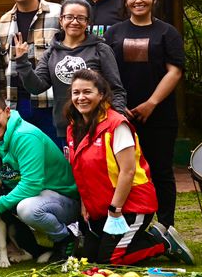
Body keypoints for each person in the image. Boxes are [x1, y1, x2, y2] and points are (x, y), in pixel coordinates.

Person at [63, 70, 169, 266]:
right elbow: (81, 170)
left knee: (109, 260)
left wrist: (115, 210)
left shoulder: (117, 125)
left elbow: (128, 172)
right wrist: (85, 203)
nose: (81, 98)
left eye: (87, 92)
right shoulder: (73, 127)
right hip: (102, 208)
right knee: (89, 257)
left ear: (101, 94)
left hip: (130, 206)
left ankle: (162, 241)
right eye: (76, 93)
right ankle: (130, 241)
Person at [106, 0, 184, 234]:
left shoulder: (167, 32)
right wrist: (118, 107)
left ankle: (165, 228)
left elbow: (174, 72)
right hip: (121, 116)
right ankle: (130, 227)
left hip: (159, 115)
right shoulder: (113, 33)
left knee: (161, 171)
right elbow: (106, 72)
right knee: (126, 171)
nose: (138, 0)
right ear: (125, 0)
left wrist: (151, 103)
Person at [0, 93, 80, 263]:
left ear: (7, 112)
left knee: (27, 209)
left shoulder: (25, 136)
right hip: (27, 195)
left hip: (63, 199)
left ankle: (64, 238)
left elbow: (31, 185)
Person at [11, 0, 127, 140]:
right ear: (61, 20)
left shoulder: (100, 49)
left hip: (98, 127)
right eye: (69, 17)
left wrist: (118, 120)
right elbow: (36, 87)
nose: (74, 22)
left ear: (87, 22)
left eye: (80, 18)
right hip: (64, 128)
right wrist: (22, 62)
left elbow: (116, 89)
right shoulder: (52, 52)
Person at [0, 0, 61, 140]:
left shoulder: (58, 13)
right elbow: (2, 64)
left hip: (51, 102)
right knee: (25, 155)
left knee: (56, 155)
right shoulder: (4, 21)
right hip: (18, 103)